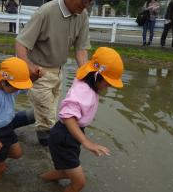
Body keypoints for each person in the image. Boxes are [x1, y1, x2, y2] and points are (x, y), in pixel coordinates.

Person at [15, 0, 104, 146]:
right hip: (38, 72)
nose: (86, 4)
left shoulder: (82, 15)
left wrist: (88, 77)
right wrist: (27, 65)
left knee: (45, 113)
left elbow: (80, 50)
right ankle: (48, 156)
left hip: (58, 72)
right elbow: (21, 43)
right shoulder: (46, 12)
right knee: (48, 121)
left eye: (90, 0)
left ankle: (5, 125)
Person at [40, 47, 124, 192]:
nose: (110, 86)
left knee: (65, 172)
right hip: (65, 136)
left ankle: (40, 180)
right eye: (108, 82)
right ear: (97, 76)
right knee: (79, 184)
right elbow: (68, 116)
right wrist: (86, 142)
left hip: (67, 135)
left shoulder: (85, 77)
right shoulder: (84, 91)